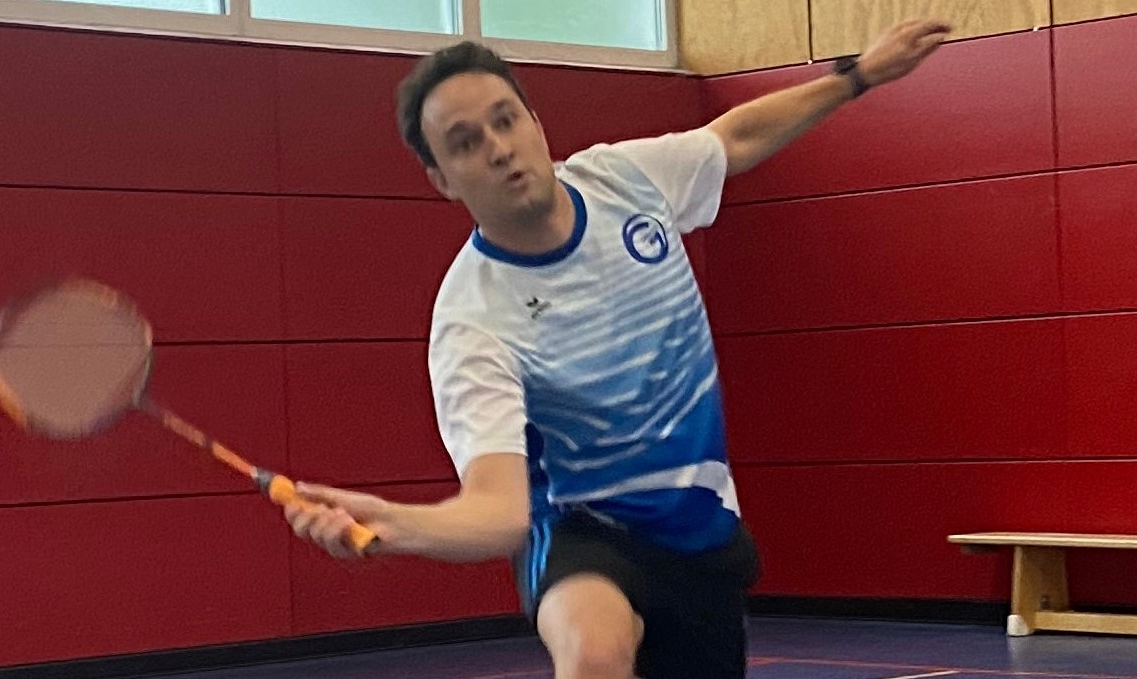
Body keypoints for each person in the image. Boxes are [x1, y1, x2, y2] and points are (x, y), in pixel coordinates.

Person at [286, 18, 952, 679]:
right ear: (442, 180)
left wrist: (857, 76)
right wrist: (396, 525)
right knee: (593, 654)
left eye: (505, 121)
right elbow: (501, 509)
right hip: (582, 532)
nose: (498, 148)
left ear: (535, 123)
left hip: (700, 532)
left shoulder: (624, 180)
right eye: (465, 143)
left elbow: (734, 138)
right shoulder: (473, 319)